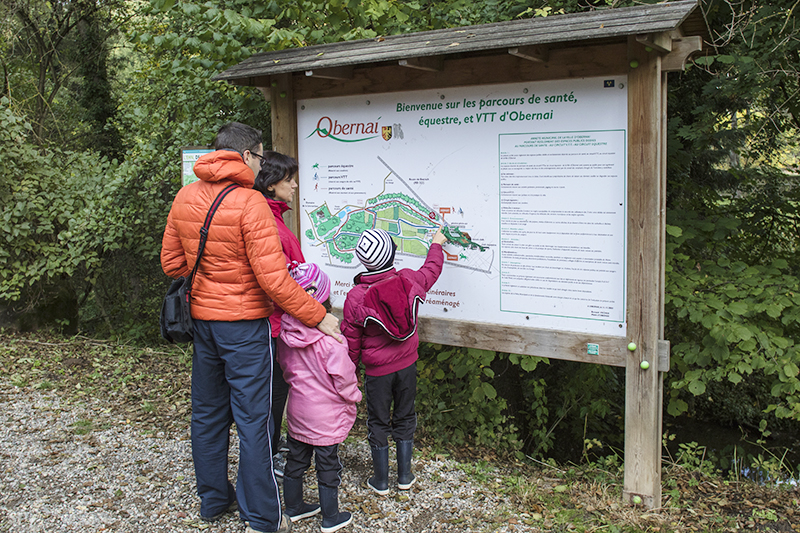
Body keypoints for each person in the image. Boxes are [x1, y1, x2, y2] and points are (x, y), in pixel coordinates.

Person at [161, 121, 341, 533]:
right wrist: (319, 316)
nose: (261, 162)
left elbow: (172, 264)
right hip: (244, 329)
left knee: (207, 414)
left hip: (204, 324)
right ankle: (260, 515)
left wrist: (210, 275)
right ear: (245, 155)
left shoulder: (185, 196)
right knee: (254, 420)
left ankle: (213, 501)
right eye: (260, 155)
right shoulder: (250, 203)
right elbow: (274, 282)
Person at [341, 227, 446, 495]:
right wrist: (436, 245)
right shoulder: (408, 280)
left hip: (377, 373)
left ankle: (381, 481)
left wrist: (348, 375)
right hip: (407, 365)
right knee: (405, 415)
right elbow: (431, 270)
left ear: (364, 261)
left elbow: (351, 343)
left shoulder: (356, 297)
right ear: (392, 254)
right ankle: (404, 475)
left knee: (377, 421)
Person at [278, 262, 362, 532]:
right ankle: (330, 517)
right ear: (324, 300)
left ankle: (293, 507)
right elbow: (344, 377)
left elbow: (285, 368)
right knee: (328, 466)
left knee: (296, 461)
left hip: (298, 411)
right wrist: (354, 396)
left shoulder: (285, 335)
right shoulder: (332, 342)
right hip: (326, 418)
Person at [252, 151, 304, 479]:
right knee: (272, 394)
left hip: (278, 320)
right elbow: (278, 278)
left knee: (277, 389)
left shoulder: (274, 215)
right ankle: (268, 458)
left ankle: (272, 446)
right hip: (270, 323)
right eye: (289, 180)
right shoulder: (267, 221)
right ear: (271, 185)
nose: (295, 185)